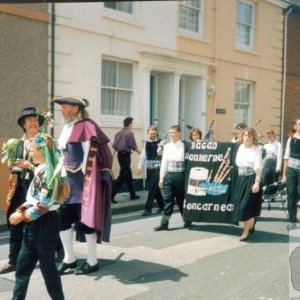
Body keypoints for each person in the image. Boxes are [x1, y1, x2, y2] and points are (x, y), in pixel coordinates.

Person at [53, 96, 113, 275]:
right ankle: (69, 259)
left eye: (66, 107)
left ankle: (92, 261)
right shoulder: (66, 128)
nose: (62, 110)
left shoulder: (87, 125)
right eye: (62, 107)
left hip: (82, 184)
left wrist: (86, 177)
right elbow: (63, 154)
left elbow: (90, 155)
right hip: (66, 184)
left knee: (86, 222)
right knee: (63, 221)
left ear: (76, 109)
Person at [9, 133, 65, 300]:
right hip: (35, 225)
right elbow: (36, 196)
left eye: (32, 150)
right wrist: (22, 210)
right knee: (22, 267)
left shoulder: (50, 173)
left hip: (46, 224)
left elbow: (44, 204)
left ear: (42, 151)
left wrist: (22, 216)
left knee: (48, 269)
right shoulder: (42, 168)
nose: (30, 153)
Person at [0, 107, 44, 275]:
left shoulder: (44, 141)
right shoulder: (17, 143)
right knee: (14, 221)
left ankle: (58, 248)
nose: (34, 122)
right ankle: (13, 260)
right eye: (30, 120)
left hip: (39, 188)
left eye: (35, 120)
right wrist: (12, 165)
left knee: (41, 221)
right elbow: (14, 165)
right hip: (20, 187)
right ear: (23, 124)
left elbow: (51, 166)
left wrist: (29, 166)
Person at [154, 125, 189, 231]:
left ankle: (187, 220)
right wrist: (161, 178)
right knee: (167, 200)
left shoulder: (185, 145)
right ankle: (164, 223)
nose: (171, 134)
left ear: (179, 133)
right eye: (170, 132)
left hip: (181, 175)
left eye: (173, 132)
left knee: (181, 199)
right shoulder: (167, 146)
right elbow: (164, 162)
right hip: (169, 175)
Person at [233, 127, 263, 241]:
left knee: (245, 206)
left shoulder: (257, 150)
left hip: (251, 179)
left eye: (250, 136)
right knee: (240, 206)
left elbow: (258, 168)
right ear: (242, 136)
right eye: (245, 135)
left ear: (253, 138)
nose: (247, 138)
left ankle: (245, 231)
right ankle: (252, 220)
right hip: (241, 179)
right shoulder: (240, 147)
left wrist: (257, 183)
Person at [111, 117, 141, 203]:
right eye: (132, 123)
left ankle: (132, 194)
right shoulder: (129, 133)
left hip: (120, 156)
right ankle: (111, 195)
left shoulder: (118, 133)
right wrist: (142, 154)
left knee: (128, 175)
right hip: (126, 156)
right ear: (129, 124)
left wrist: (111, 157)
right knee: (122, 176)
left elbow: (114, 147)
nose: (132, 125)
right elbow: (133, 146)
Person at [137, 125, 164, 216]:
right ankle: (163, 206)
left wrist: (162, 151)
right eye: (151, 133)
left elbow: (166, 154)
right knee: (155, 189)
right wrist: (140, 167)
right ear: (148, 133)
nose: (152, 135)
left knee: (152, 188)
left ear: (157, 133)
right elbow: (143, 155)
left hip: (158, 168)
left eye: (154, 133)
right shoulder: (146, 143)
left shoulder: (162, 142)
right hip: (149, 169)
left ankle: (148, 209)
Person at [282, 118, 300, 223]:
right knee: (291, 192)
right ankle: (292, 215)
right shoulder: (291, 139)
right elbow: (286, 157)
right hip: (292, 170)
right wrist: (284, 175)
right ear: (295, 126)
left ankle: (294, 203)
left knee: (298, 192)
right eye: (299, 124)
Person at [261, 129, 282, 200]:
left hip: (274, 162)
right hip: (266, 163)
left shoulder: (278, 144)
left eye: (270, 134)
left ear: (273, 135)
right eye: (268, 135)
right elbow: (263, 157)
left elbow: (279, 156)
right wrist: (261, 166)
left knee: (273, 179)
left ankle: (273, 195)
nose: (269, 136)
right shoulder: (265, 145)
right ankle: (264, 195)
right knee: (265, 178)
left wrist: (278, 166)